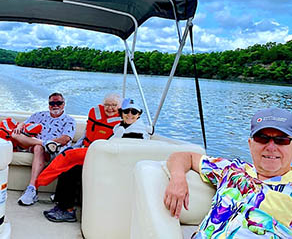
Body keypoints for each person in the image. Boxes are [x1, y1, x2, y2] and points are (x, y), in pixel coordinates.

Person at [163, 107, 292, 238]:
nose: (271, 147)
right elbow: (183, 156)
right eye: (262, 138)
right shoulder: (232, 169)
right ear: (250, 144)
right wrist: (177, 179)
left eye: (282, 140)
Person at [43, 96, 148, 222]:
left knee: (72, 170)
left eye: (134, 112)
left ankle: (67, 211)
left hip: (119, 169)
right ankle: (62, 205)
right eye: (126, 111)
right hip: (110, 163)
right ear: (121, 113)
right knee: (69, 165)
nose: (129, 115)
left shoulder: (136, 132)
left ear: (139, 114)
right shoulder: (121, 127)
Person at [14, 92, 76, 206]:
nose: (55, 105)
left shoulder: (69, 120)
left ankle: (32, 188)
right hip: (36, 144)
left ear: (64, 104)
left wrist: (51, 143)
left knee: (38, 147)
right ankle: (43, 143)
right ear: (49, 105)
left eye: (59, 103)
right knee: (16, 135)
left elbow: (65, 139)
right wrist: (19, 126)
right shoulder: (39, 115)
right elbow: (25, 123)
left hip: (55, 150)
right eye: (52, 103)